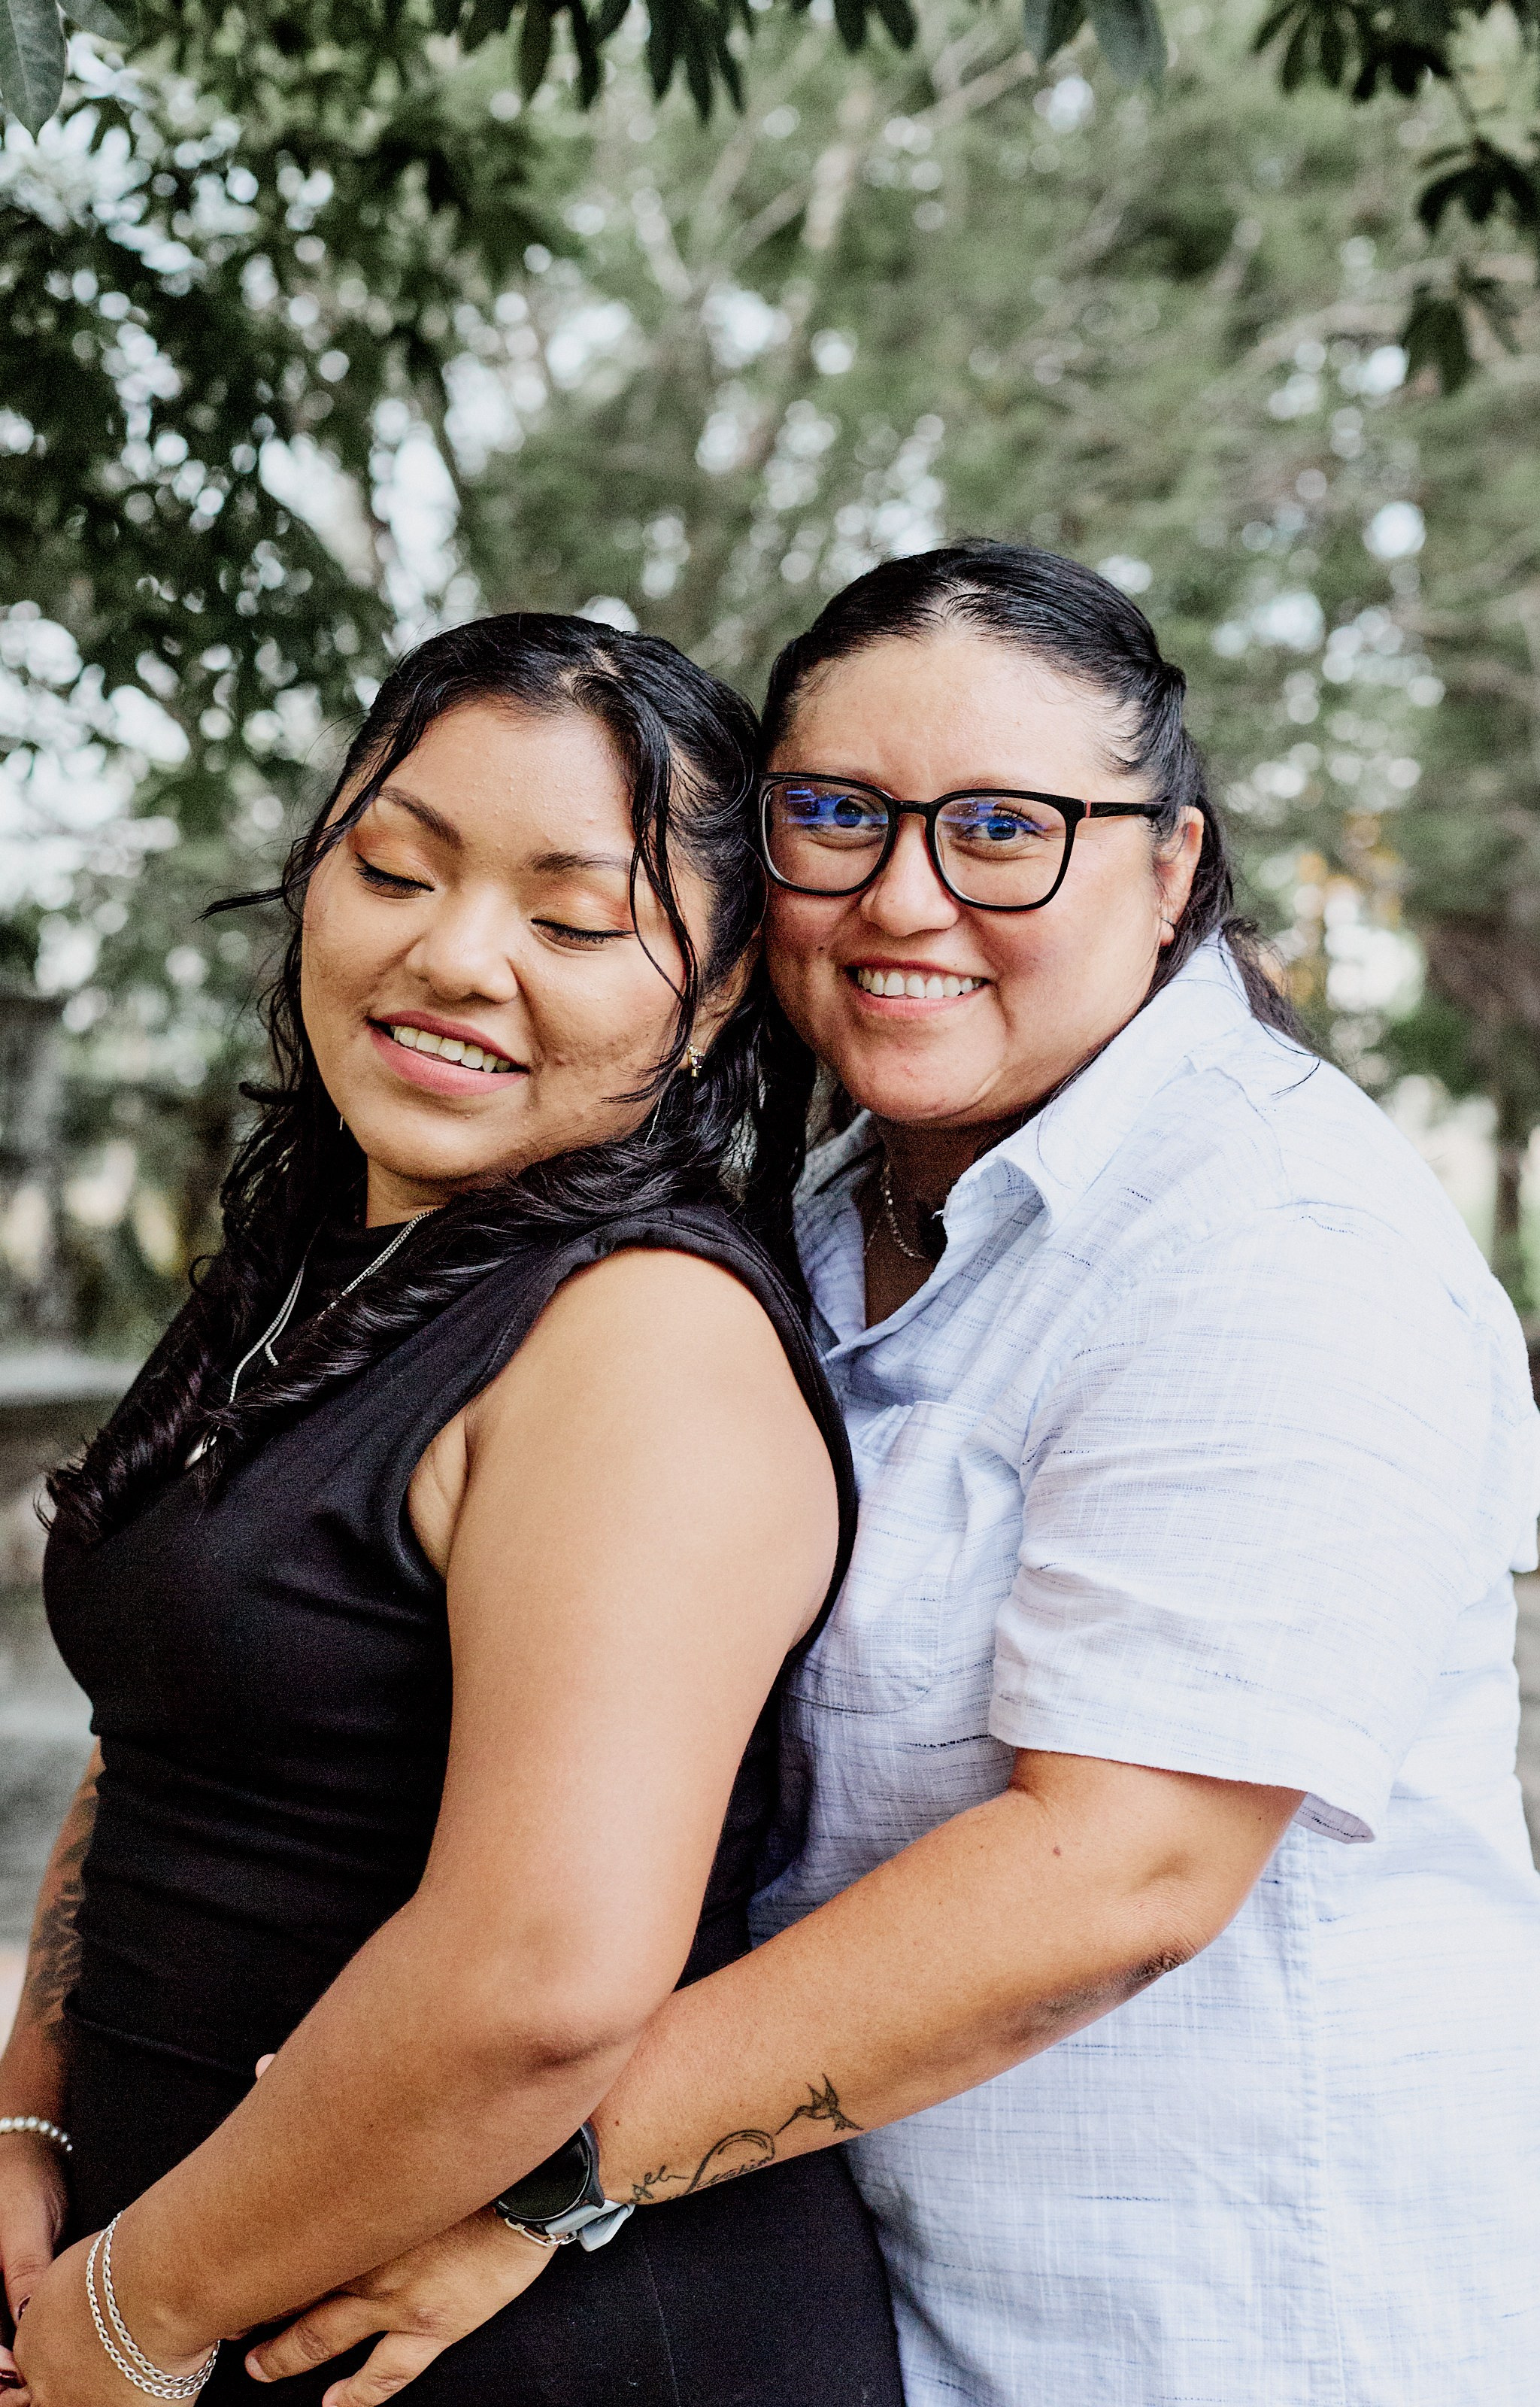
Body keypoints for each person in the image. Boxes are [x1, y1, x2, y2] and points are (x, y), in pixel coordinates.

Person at [238, 545, 1540, 2407]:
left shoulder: (1274, 1238)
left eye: (1005, 829)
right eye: (835, 815)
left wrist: (518, 2168)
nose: (903, 896)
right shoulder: (823, 1209)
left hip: (1217, 2334)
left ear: (1170, 865)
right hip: (870, 2311)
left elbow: (1122, 1870)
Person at [0, 612, 905, 2405]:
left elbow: (541, 1979)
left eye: (571, 922)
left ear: (719, 987)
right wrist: (37, 2100)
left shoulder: (642, 1338)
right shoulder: (322, 1255)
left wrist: (134, 2314)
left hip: (511, 2351)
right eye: (396, 870)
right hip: (186, 2285)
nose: (455, 956)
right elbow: (162, 1722)